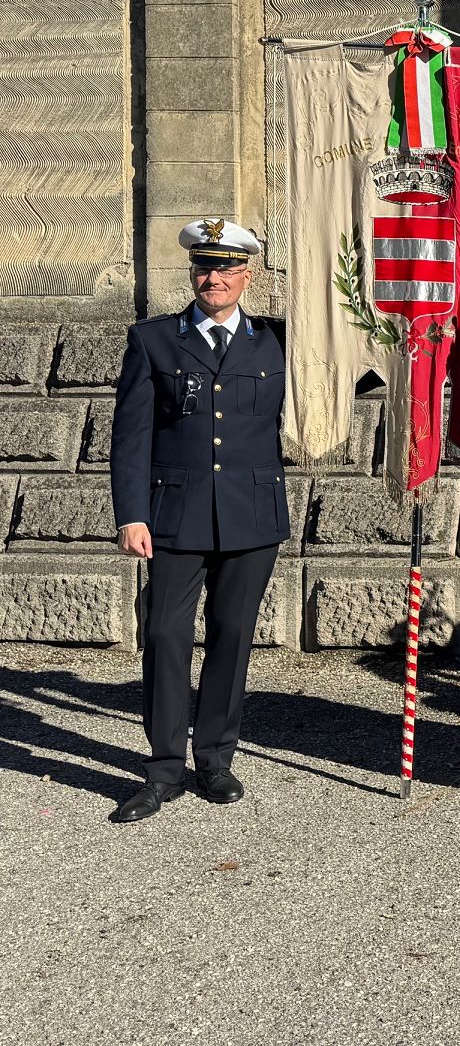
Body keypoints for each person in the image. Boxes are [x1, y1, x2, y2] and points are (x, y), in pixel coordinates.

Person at [108, 218, 288, 823]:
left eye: (227, 268)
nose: (214, 278)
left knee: (232, 638)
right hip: (174, 516)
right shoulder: (154, 341)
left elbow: (344, 380)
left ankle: (214, 759)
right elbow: (130, 437)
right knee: (164, 635)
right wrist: (132, 514)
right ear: (193, 274)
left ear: (248, 275)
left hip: (251, 515)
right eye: (205, 268)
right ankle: (162, 769)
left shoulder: (280, 343)